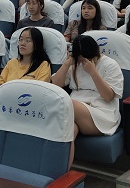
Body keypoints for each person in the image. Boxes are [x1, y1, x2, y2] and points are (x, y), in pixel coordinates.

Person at [51, 35, 124, 164]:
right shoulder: (75, 63)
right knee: (70, 129)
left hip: (102, 112)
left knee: (66, 103)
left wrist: (93, 73)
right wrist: (67, 64)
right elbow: (56, 84)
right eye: (79, 60)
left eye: (86, 59)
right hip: (77, 109)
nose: (82, 63)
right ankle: (61, 169)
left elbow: (108, 96)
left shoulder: (110, 65)